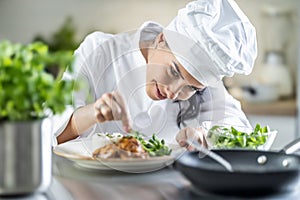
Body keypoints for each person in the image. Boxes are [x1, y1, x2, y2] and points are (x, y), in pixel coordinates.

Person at [52, 0, 257, 150]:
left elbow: (240, 129)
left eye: (192, 88)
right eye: (173, 71)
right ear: (161, 39)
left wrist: (207, 136)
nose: (174, 92)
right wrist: (92, 113)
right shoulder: (100, 51)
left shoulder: (205, 81)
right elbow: (51, 134)